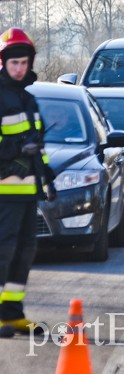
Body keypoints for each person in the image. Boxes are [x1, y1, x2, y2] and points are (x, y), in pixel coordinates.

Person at [0, 28, 53, 338]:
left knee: (24, 251)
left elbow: (38, 145)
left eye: (24, 63)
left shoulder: (29, 99)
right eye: (14, 63)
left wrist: (47, 173)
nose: (19, 68)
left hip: (28, 192)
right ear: (3, 63)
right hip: (3, 193)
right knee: (3, 251)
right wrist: (18, 148)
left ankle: (13, 314)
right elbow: (20, 145)